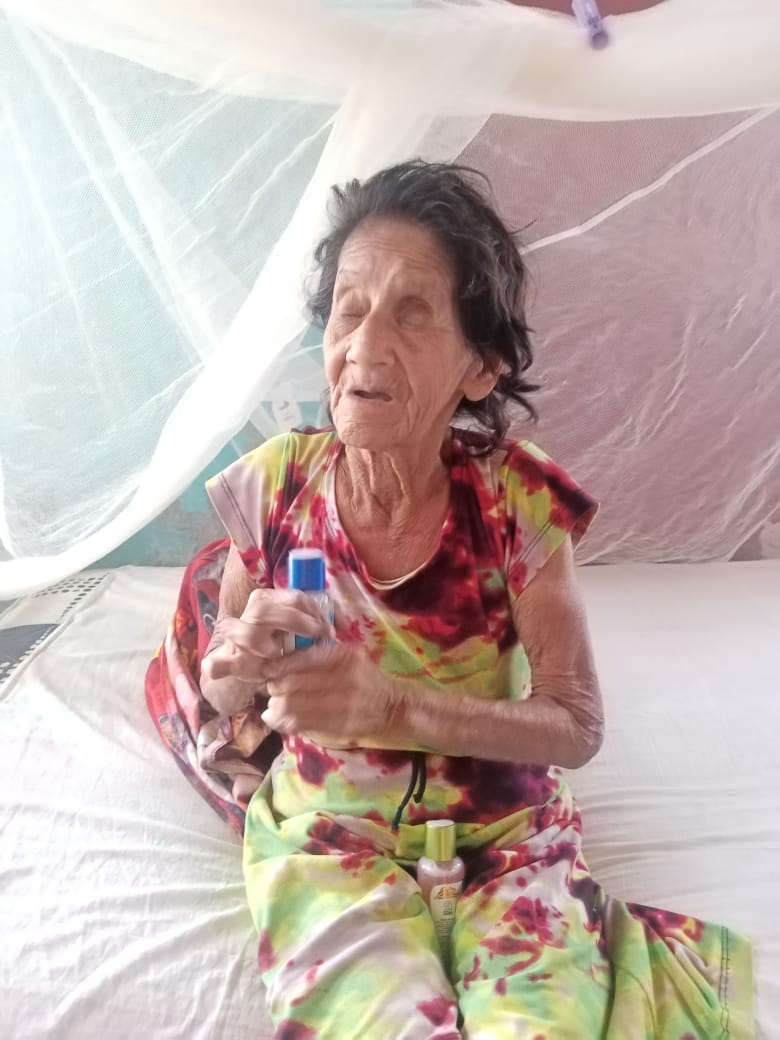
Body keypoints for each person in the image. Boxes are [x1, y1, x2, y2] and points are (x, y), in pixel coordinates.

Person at [199, 161, 752, 1040]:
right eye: (348, 308)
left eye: (411, 313)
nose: (364, 346)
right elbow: (224, 685)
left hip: (507, 839)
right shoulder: (276, 488)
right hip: (330, 839)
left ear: (481, 368)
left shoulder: (515, 503)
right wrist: (239, 662)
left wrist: (391, 707)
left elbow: (576, 725)